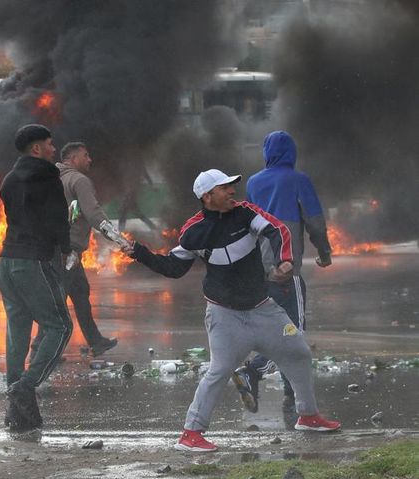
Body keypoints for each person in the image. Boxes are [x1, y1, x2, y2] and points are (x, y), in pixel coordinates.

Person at [121, 168, 340, 452]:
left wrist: (285, 260)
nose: (232, 191)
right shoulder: (193, 231)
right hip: (224, 316)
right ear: (207, 196)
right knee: (219, 370)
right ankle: (191, 434)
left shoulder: (246, 212)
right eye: (225, 187)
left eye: (231, 186)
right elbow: (172, 268)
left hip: (264, 309)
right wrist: (138, 252)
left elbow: (278, 230)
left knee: (299, 353)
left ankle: (308, 416)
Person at [231, 131, 333, 414]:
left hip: (259, 270)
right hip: (288, 270)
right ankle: (254, 369)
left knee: (279, 327)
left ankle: (290, 392)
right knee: (294, 332)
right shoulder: (299, 180)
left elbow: (249, 224)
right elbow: (314, 221)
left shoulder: (253, 182)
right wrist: (324, 252)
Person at [0, 124, 73, 433]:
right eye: (50, 144)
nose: (54, 150)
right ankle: (26, 386)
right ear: (37, 149)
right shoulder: (48, 177)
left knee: (17, 330)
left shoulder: (8, 179)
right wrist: (68, 250)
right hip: (32, 262)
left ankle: (17, 411)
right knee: (60, 325)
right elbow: (58, 219)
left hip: (5, 261)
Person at [32, 142, 120, 358]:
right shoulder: (79, 180)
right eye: (86, 155)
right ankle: (39, 350)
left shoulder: (50, 178)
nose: (90, 160)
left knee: (80, 293)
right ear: (72, 159)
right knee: (58, 300)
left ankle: (96, 341)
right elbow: (94, 213)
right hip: (67, 251)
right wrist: (117, 238)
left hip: (50, 248)